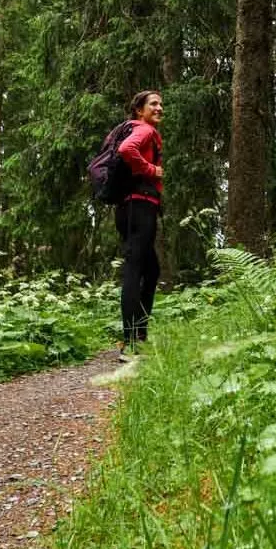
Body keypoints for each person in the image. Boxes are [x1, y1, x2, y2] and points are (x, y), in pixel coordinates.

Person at [115, 90, 163, 355]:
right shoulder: (144, 130)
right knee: (134, 270)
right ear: (139, 110)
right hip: (139, 206)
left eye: (160, 104)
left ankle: (139, 334)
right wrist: (151, 169)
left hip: (132, 207)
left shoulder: (138, 129)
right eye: (153, 104)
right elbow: (126, 149)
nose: (159, 108)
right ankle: (130, 342)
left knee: (151, 270)